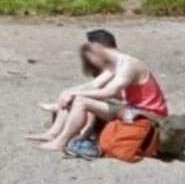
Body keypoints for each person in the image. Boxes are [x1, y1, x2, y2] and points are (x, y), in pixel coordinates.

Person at [31, 37, 170, 152]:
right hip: (132, 109)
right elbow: (95, 85)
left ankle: (60, 142)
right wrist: (67, 92)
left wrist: (73, 93)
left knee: (82, 101)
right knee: (84, 97)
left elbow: (109, 92)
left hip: (148, 116)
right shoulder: (117, 64)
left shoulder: (130, 65)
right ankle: (53, 134)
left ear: (97, 47)